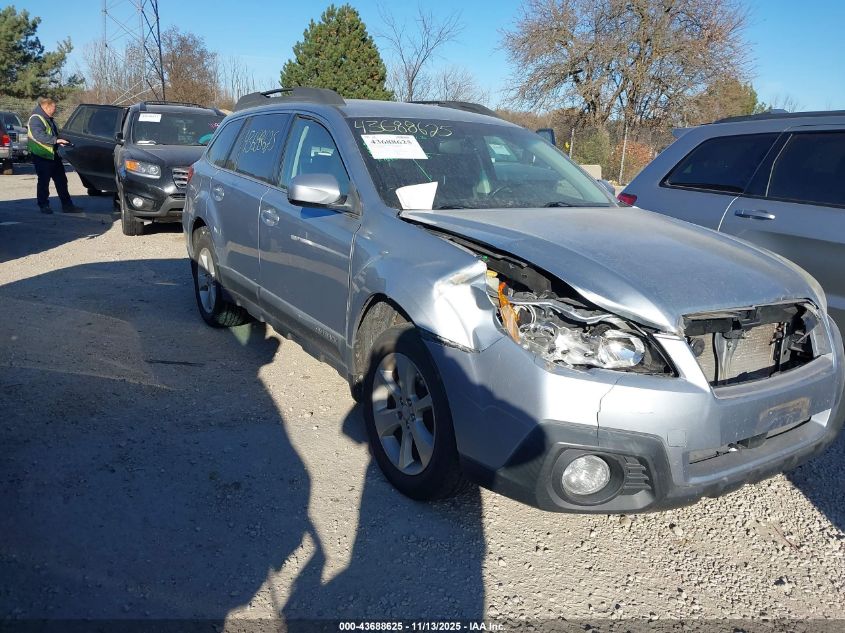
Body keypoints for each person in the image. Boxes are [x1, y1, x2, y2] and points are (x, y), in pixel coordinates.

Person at [27, 97, 81, 214]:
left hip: (53, 155)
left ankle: (67, 206)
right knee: (44, 182)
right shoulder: (36, 119)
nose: (55, 110)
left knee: (62, 181)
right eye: (54, 107)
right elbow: (39, 135)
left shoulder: (49, 119)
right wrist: (56, 140)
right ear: (46, 107)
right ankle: (44, 205)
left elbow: (54, 134)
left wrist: (62, 140)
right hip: (42, 155)